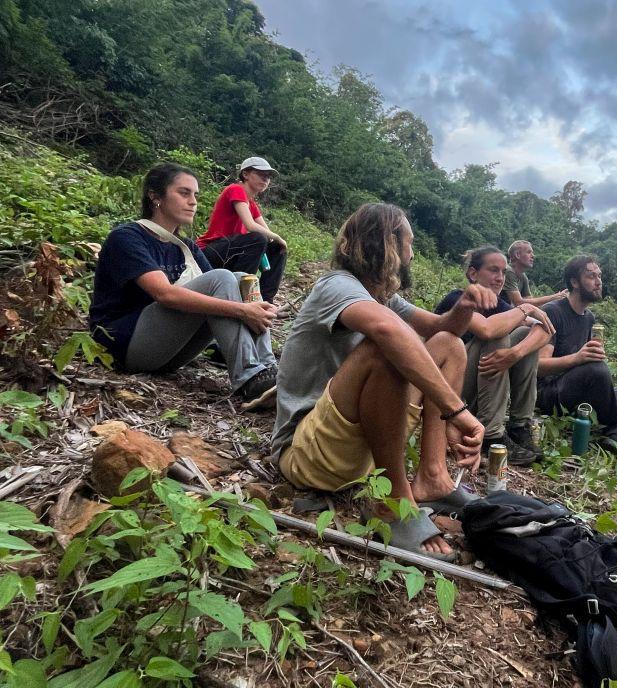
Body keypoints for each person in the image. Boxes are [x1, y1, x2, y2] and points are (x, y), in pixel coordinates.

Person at [272, 203, 495, 561]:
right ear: (387, 244)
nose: (412, 252)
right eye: (408, 242)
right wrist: (458, 411)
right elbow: (386, 330)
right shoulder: (337, 285)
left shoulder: (383, 298)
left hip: (358, 452)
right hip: (307, 453)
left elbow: (441, 330)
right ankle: (393, 503)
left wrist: (465, 306)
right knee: (383, 348)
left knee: (450, 347)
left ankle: (432, 477)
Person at [89, 163, 278, 403]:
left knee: (240, 279)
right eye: (184, 193)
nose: (193, 202)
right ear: (155, 196)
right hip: (124, 346)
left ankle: (267, 369)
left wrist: (255, 308)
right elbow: (165, 295)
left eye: (195, 195)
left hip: (168, 352)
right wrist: (243, 311)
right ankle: (250, 377)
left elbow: (226, 290)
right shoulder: (128, 237)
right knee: (223, 278)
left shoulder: (186, 247)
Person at [537, 255, 617, 470]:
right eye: (591, 276)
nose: (598, 281)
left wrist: (587, 358)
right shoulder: (553, 312)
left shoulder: (588, 318)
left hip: (581, 391)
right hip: (551, 394)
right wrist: (578, 358)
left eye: (599, 276)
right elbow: (538, 366)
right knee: (595, 369)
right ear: (574, 282)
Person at [434, 246, 555, 465]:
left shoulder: (500, 306)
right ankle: (491, 436)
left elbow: (545, 330)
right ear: (473, 274)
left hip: (474, 392)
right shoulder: (458, 299)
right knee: (497, 337)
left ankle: (519, 426)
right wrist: (526, 307)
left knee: (525, 334)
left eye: (502, 272)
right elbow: (487, 330)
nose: (500, 278)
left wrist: (515, 353)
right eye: (493, 270)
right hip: (446, 394)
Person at [196, 157, 287, 303]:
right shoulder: (236, 189)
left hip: (231, 251)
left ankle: (265, 301)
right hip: (210, 251)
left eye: (268, 176)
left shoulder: (251, 204)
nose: (266, 179)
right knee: (258, 238)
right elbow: (251, 225)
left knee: (278, 248)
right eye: (261, 174)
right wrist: (276, 236)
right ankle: (242, 296)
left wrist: (277, 241)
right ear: (245, 174)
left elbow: (267, 234)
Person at [501, 240, 569, 307]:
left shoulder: (523, 276)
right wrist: (554, 297)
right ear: (517, 255)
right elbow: (518, 302)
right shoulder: (508, 271)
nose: (533, 256)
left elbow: (529, 303)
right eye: (529, 252)